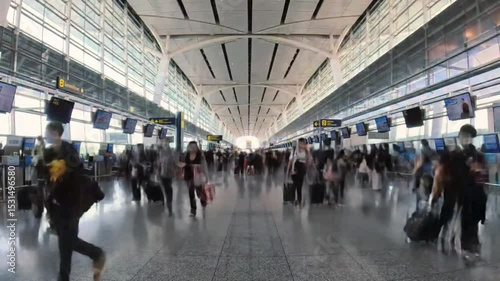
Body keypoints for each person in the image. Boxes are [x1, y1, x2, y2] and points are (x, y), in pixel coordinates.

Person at [43, 122, 105, 281]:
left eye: (48, 131)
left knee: (67, 243)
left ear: (56, 132)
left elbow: (76, 180)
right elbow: (49, 179)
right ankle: (66, 275)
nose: (46, 134)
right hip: (58, 206)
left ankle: (96, 253)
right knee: (66, 245)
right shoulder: (50, 152)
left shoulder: (69, 153)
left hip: (70, 206)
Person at [179, 141, 208, 217]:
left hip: (198, 176)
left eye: (193, 146)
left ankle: (203, 200)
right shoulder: (187, 154)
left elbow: (204, 165)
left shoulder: (200, 155)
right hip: (189, 177)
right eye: (190, 146)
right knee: (191, 193)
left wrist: (206, 176)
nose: (192, 148)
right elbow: (184, 164)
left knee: (200, 191)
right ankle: (193, 210)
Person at [287, 138, 311, 206]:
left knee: (299, 186)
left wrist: (308, 151)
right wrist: (288, 171)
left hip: (302, 170)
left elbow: (308, 159)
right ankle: (293, 199)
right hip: (294, 170)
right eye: (301, 143)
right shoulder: (294, 150)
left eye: (303, 143)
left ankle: (299, 200)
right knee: (295, 185)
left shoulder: (306, 151)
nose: (302, 144)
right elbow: (290, 161)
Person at [158, 141, 177, 216]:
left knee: (168, 189)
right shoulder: (166, 155)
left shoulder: (166, 155)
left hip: (166, 175)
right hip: (166, 175)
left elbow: (175, 165)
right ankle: (169, 203)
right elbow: (159, 165)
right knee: (168, 189)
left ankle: (169, 204)